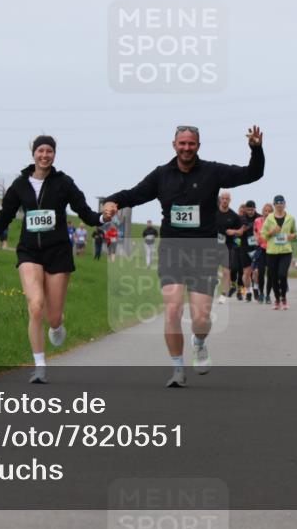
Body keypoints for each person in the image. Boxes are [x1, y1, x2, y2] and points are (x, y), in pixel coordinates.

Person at [103, 125, 264, 387]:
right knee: (173, 309)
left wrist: (256, 149)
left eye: (191, 144)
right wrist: (112, 201)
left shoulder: (212, 172)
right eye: (182, 143)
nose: (186, 148)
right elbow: (135, 194)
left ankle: (199, 342)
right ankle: (177, 368)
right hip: (172, 250)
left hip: (203, 251)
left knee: (201, 319)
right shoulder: (161, 175)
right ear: (174, 145)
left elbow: (252, 174)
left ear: (198, 146)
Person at [0, 135, 108, 383]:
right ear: (33, 153)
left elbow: (84, 212)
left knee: (53, 317)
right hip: (29, 251)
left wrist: (102, 218)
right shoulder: (20, 185)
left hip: (58, 252)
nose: (45, 155)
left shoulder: (64, 183)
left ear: (54, 154)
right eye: (40, 151)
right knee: (35, 305)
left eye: (49, 151)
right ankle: (40, 365)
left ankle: (57, 325)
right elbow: (3, 217)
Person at [261, 195, 297, 310]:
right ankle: (277, 299)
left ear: (285, 204)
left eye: (282, 202)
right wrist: (272, 232)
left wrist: (293, 236)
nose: (280, 205)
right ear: (274, 205)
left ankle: (284, 297)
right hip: (272, 252)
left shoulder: (290, 218)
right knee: (273, 277)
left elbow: (296, 234)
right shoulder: (269, 218)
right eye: (277, 203)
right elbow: (263, 235)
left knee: (282, 274)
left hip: (286, 252)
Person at [215, 192, 241, 305]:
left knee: (226, 271)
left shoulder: (234, 216)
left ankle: (223, 294)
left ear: (230, 200)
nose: (225, 200)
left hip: (227, 246)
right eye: (223, 198)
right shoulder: (213, 213)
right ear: (220, 200)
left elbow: (241, 231)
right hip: (212, 246)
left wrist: (234, 231)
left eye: (227, 199)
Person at [237, 200, 261, 302]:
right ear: (245, 209)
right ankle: (248, 292)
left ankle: (256, 288)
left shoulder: (259, 218)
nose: (250, 211)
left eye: (252, 209)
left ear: (255, 209)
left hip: (256, 248)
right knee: (246, 273)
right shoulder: (241, 219)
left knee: (256, 271)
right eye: (248, 210)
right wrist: (243, 230)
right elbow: (238, 232)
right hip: (244, 248)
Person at [253, 203, 273, 304]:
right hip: (261, 249)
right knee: (260, 273)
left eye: (269, 211)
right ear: (262, 211)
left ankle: (268, 295)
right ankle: (261, 293)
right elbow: (255, 231)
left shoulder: (274, 222)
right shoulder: (257, 221)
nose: (267, 213)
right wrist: (256, 237)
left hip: (271, 250)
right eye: (265, 211)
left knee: (270, 274)